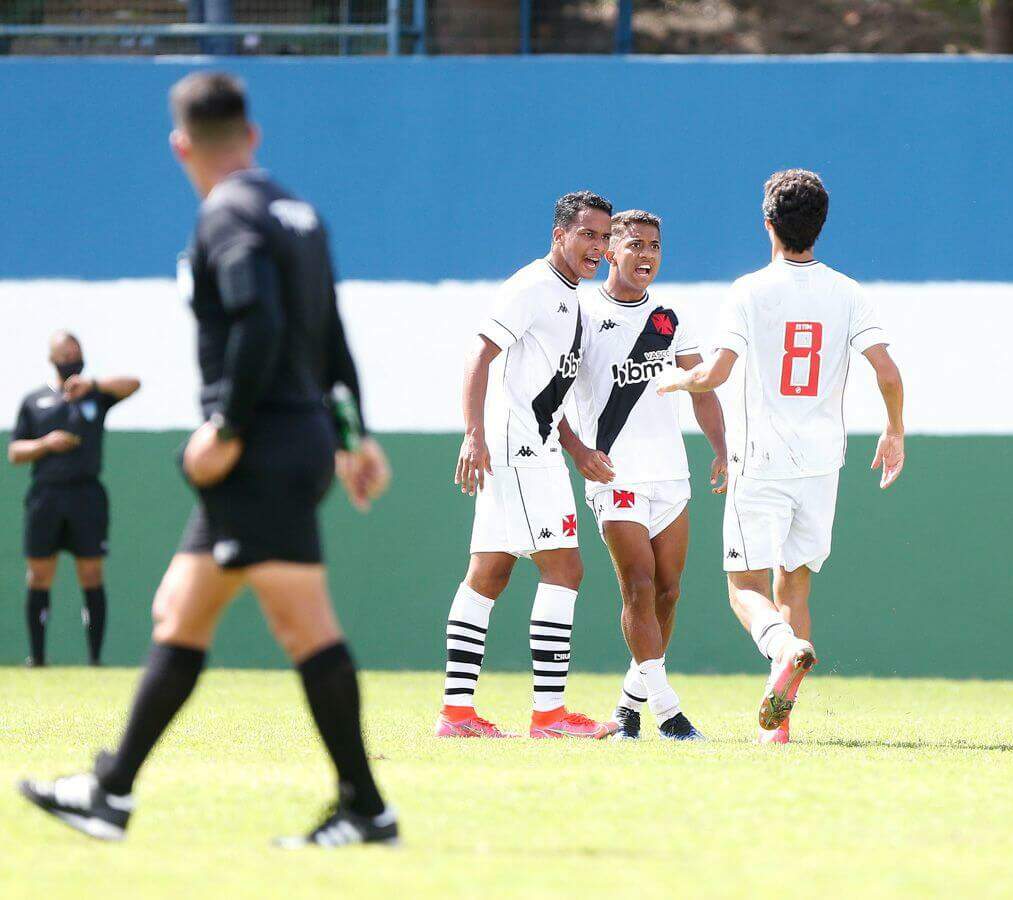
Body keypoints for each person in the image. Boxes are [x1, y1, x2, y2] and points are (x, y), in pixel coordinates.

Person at [18, 71, 400, 845]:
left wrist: (225, 428)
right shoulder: (299, 213)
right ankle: (111, 792)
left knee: (305, 629)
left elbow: (257, 323)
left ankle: (367, 808)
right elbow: (330, 335)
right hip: (296, 440)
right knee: (179, 612)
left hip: (257, 448)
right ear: (252, 135)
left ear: (180, 145)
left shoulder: (222, 213)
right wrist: (352, 436)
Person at [658, 169, 906, 744]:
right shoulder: (848, 291)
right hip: (823, 461)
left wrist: (675, 380)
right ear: (820, 225)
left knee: (742, 586)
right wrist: (894, 431)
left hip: (761, 456)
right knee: (794, 585)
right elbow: (887, 372)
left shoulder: (748, 290)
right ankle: (780, 726)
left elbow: (716, 372)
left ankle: (783, 647)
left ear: (767, 223)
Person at [438, 191, 616, 740]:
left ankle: (457, 714)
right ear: (560, 234)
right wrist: (473, 434)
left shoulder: (571, 298)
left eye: (605, 237)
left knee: (488, 575)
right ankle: (549, 716)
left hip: (536, 447)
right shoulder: (532, 287)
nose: (599, 247)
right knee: (565, 569)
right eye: (588, 234)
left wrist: (577, 447)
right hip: (518, 452)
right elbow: (479, 352)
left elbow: (547, 390)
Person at [558, 209, 727, 741]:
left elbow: (701, 386)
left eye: (654, 245)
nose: (646, 254)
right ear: (611, 250)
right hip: (613, 474)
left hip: (670, 476)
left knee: (669, 592)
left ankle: (629, 706)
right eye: (634, 244)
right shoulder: (582, 313)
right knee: (638, 583)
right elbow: (549, 391)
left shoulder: (671, 316)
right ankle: (668, 712)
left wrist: (721, 449)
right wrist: (578, 450)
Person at [9, 332, 139, 666]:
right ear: (52, 358)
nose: (72, 358)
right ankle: (37, 658)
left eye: (77, 352)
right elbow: (14, 451)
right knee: (39, 574)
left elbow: (134, 384)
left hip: (87, 494)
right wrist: (45, 444)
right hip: (46, 495)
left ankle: (95, 660)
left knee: (92, 572)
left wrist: (93, 383)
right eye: (66, 353)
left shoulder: (95, 394)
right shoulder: (35, 400)